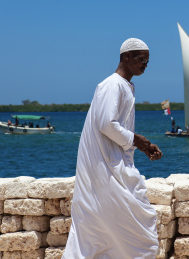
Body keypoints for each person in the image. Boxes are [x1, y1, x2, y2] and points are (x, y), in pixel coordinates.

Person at [62, 38, 163, 259]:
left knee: (113, 228)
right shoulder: (112, 85)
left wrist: (140, 145)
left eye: (147, 61)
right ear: (126, 57)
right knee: (131, 228)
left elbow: (115, 127)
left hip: (113, 165)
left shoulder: (126, 86)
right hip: (105, 169)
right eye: (141, 59)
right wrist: (137, 141)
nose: (145, 64)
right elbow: (106, 124)